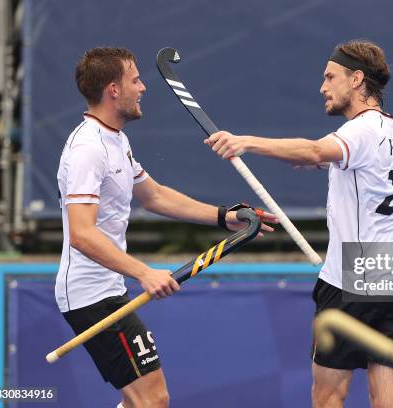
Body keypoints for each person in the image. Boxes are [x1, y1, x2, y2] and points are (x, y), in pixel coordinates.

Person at [56, 47, 275, 408]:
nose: (143, 87)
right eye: (135, 80)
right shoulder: (88, 148)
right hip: (90, 296)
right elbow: (81, 233)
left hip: (106, 289)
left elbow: (155, 196)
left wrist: (226, 217)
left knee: (145, 400)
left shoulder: (115, 140)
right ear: (113, 89)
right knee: (152, 399)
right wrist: (144, 273)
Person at [205, 40, 393, 408]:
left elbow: (318, 150)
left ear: (357, 80)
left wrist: (246, 143)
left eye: (330, 77)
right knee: (388, 401)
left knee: (328, 397)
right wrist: (320, 161)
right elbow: (350, 165)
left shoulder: (360, 130)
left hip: (351, 284)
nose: (322, 87)